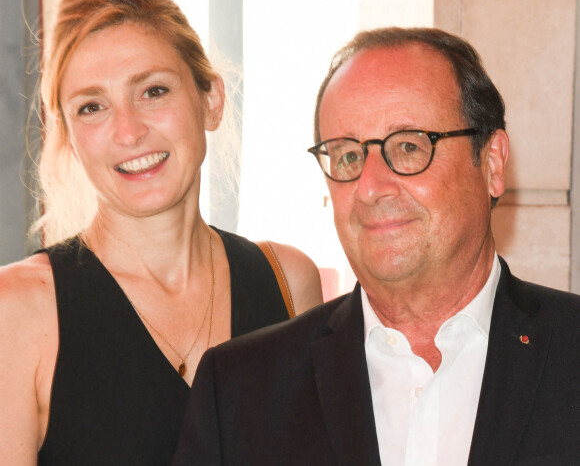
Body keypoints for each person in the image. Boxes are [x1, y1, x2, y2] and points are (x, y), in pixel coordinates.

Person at [173, 27, 580, 465]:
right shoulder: (240, 390)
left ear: (492, 163)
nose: (369, 187)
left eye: (408, 146)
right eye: (348, 155)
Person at [0, 0, 322, 465]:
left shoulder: (288, 282)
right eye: (92, 107)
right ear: (68, 138)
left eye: (152, 91)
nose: (129, 131)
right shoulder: (18, 310)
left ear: (210, 100)